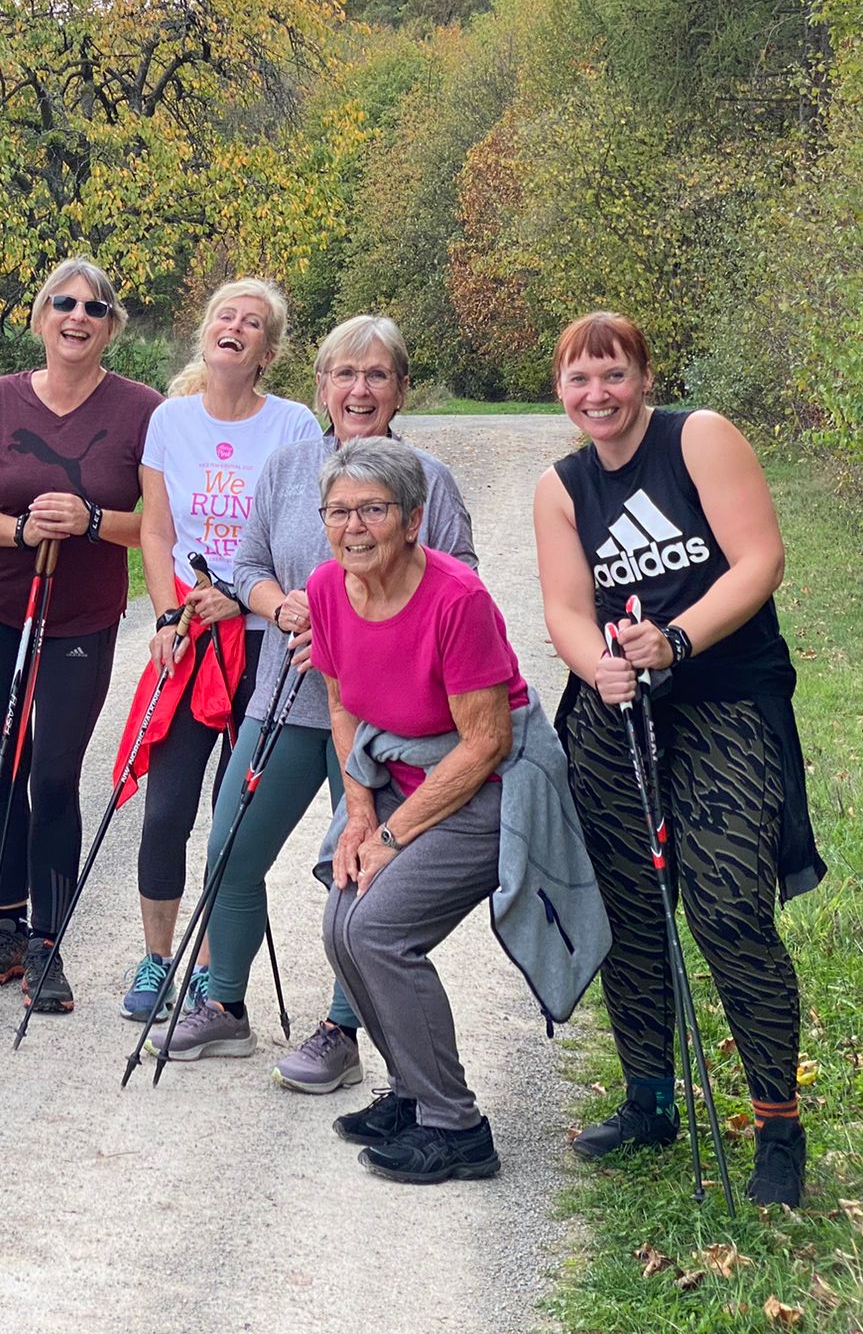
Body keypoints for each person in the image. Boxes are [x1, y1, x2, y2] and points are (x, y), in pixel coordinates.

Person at [535, 311, 823, 1207]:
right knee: (629, 911)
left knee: (729, 909)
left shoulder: (697, 438)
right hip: (617, 717)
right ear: (561, 391)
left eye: (613, 373)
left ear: (644, 377)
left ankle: (778, 1124)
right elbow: (566, 609)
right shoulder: (561, 487)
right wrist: (600, 666)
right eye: (580, 379)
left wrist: (678, 641)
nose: (598, 394)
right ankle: (649, 1100)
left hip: (724, 698)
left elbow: (759, 559)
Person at [152, 315, 478, 1078]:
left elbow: (461, 583)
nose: (360, 389)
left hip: (386, 715)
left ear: (401, 389)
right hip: (285, 697)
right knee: (231, 849)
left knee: (361, 864)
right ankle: (225, 1007)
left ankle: (342, 1030)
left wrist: (357, 622)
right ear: (323, 386)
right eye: (345, 374)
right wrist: (283, 608)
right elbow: (248, 566)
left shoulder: (429, 479)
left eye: (377, 375)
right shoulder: (288, 466)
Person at [307, 437, 528, 1184]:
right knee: (340, 924)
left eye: (373, 510)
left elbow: (487, 742)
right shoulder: (327, 589)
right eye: (338, 512)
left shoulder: (456, 598)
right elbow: (342, 703)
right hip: (396, 782)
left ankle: (457, 1128)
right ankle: (410, 1091)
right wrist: (359, 814)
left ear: (412, 519)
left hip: (485, 788)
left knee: (378, 929)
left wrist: (392, 835)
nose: (354, 527)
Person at [0, 258, 159, 1013]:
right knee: (2, 766)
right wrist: (20, 530)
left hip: (81, 615)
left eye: (95, 308)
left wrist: (93, 520)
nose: (78, 316)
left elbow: (157, 526)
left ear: (111, 327)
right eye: (63, 303)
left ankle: (47, 940)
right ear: (40, 317)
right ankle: (7, 926)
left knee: (55, 775)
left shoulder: (142, 409)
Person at [124, 278, 318, 1021]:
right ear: (206, 333)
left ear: (269, 351)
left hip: (264, 638)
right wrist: (167, 615)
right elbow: (156, 531)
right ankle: (157, 958)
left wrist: (242, 595)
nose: (235, 327)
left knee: (232, 817)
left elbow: (304, 532)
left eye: (253, 322)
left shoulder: (295, 424)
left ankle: (212, 968)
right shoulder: (169, 420)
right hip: (190, 633)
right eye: (225, 316)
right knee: (167, 808)